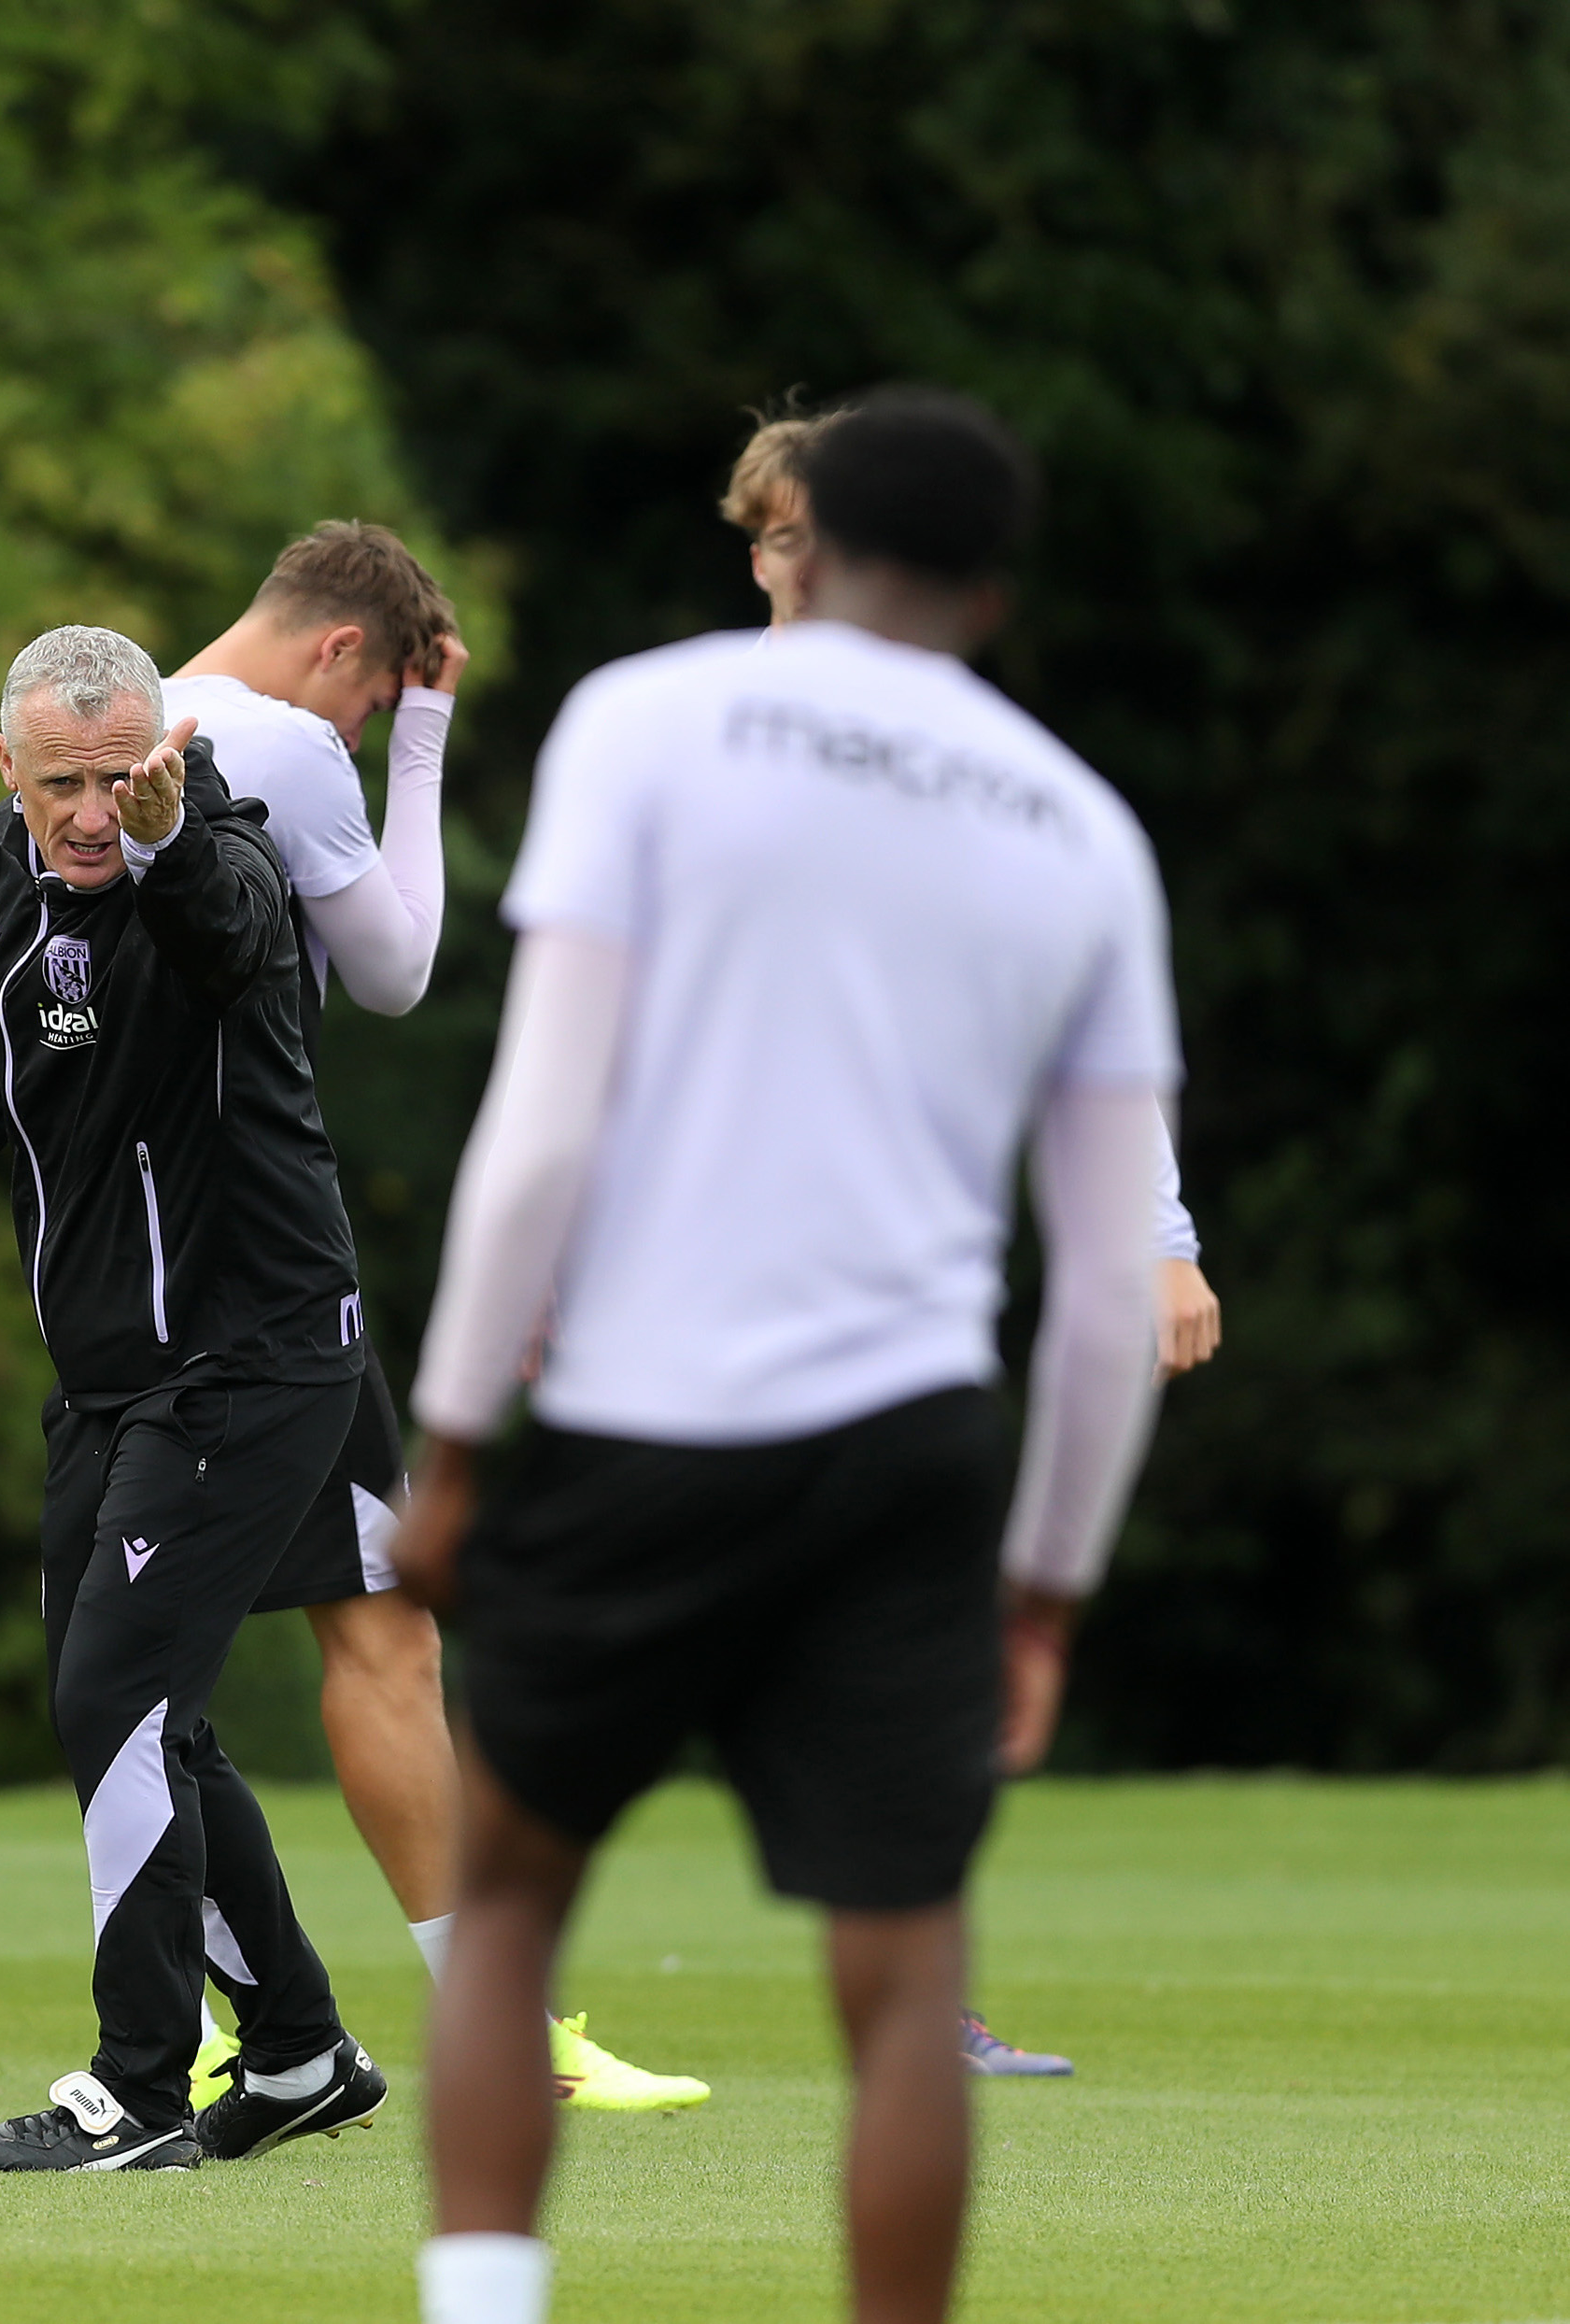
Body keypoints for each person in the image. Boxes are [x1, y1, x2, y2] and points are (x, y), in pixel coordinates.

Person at [395, 391, 1173, 2324]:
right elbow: (1098, 1289)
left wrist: (456, 1436)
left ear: (798, 543)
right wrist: (1051, 1585)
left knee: (507, 1905)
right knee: (906, 1970)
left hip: (643, 1410)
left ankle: (485, 2302)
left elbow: (544, 1126)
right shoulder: (1081, 826)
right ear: (993, 592)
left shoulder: (642, 722)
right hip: (906, 1443)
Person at [0, 528, 704, 2113]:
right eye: (374, 699)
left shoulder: (96, 722)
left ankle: (299, 2034)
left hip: (215, 1284)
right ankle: (393, 2028)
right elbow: (399, 970)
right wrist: (421, 747)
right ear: (343, 656)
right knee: (275, 1661)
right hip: (252, 1278)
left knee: (319, 1641)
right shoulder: (258, 753)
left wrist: (86, 1091)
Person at [0, 625, 386, 2174]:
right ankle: (295, 2053)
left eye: (121, 777)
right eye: (61, 787)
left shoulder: (208, 853)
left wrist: (171, 831)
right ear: (6, 772)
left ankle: (138, 2089)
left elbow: (233, 933)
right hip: (112, 1384)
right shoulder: (9, 868)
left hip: (248, 1363)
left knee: (118, 1704)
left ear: (164, 754)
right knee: (139, 1715)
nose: (92, 812)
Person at [728, 414, 1223, 2076]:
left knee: (902, 1647)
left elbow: (1074, 1003)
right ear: (759, 553)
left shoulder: (976, 774)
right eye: (779, 537)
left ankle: (920, 2002)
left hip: (895, 1301)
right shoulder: (681, 745)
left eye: (826, 535)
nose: (804, 567)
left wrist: (1155, 1234)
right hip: (692, 1303)